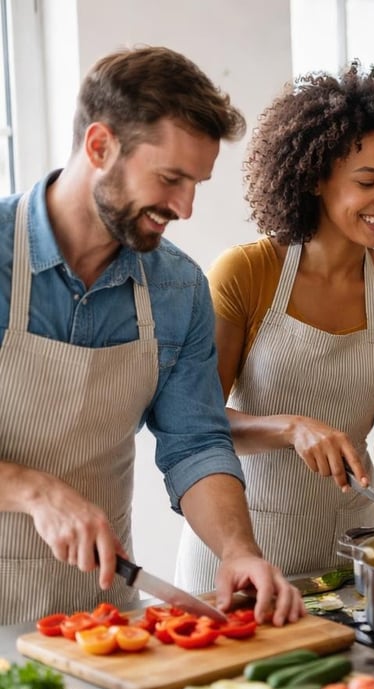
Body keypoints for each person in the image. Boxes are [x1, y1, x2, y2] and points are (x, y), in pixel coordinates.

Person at [0, 46, 303, 625]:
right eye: (171, 178)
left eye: (196, 183)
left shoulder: (177, 287)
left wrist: (238, 551)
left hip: (97, 610)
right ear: (99, 146)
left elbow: (195, 443)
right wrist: (37, 492)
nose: (185, 207)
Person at [174, 62, 374, 591]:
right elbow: (198, 423)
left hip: (348, 554)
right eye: (367, 182)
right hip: (238, 553)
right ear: (316, 177)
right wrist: (290, 427)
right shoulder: (247, 273)